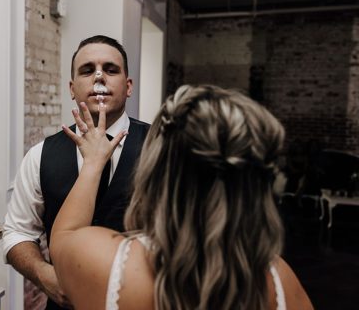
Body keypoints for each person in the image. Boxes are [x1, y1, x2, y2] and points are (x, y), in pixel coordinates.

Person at [49, 84, 314, 310]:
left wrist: (94, 162)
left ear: (157, 169)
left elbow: (63, 237)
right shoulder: (281, 284)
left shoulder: (106, 265)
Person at [2, 35, 149, 310]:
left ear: (128, 87)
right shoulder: (40, 156)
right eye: (87, 70)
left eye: (111, 69)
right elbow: (16, 233)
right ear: (72, 88)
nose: (99, 77)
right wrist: (44, 275)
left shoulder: (163, 146)